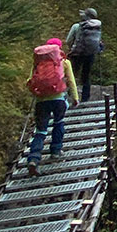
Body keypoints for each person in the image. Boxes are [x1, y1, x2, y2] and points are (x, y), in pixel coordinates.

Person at [26, 37, 79, 176]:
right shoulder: (64, 62)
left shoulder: (38, 63)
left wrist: (37, 93)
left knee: (41, 131)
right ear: (59, 48)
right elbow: (71, 81)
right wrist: (75, 98)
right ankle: (56, 150)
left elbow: (30, 81)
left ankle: (33, 158)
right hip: (59, 99)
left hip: (41, 101)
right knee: (58, 123)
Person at [66, 7, 102, 102]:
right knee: (86, 76)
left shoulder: (76, 26)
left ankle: (70, 96)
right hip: (90, 54)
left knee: (72, 74)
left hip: (77, 53)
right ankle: (85, 98)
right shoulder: (96, 27)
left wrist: (72, 48)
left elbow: (68, 40)